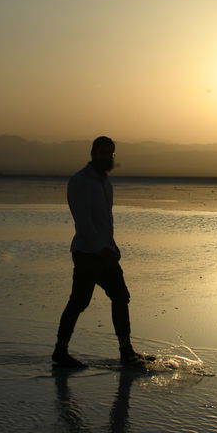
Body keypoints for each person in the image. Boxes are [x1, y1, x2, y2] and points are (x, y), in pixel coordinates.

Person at [52, 136, 146, 369]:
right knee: (79, 302)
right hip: (87, 254)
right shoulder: (80, 181)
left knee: (120, 296)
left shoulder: (105, 183)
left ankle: (126, 350)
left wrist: (112, 245)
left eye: (111, 154)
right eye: (103, 153)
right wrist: (101, 248)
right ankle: (60, 351)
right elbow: (83, 222)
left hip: (105, 253)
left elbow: (106, 220)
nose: (107, 157)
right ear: (93, 153)